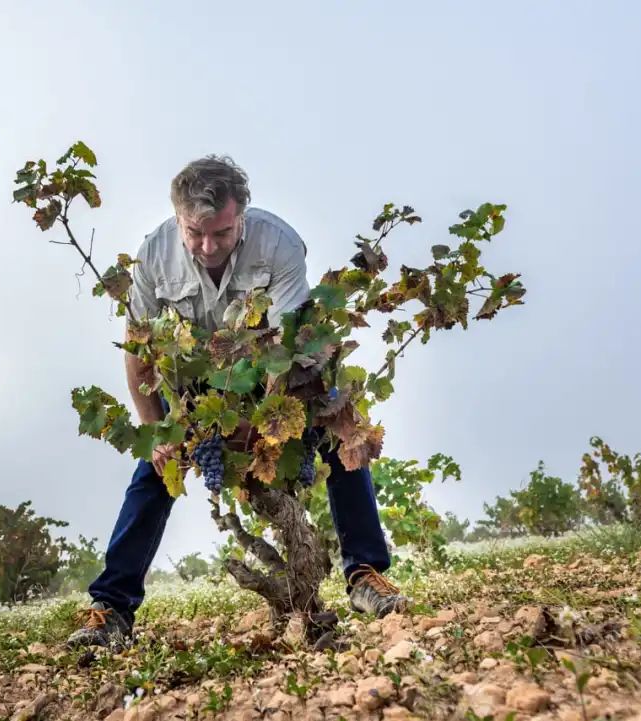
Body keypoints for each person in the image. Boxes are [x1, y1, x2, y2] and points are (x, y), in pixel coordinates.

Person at [66, 155, 408, 648]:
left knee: (342, 423)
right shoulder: (153, 256)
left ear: (240, 216)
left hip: (273, 371)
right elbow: (140, 353)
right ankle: (112, 610)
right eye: (194, 233)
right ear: (178, 218)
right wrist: (160, 432)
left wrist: (265, 427)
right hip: (195, 384)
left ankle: (365, 575)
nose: (208, 247)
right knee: (155, 471)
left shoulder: (280, 244)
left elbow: (286, 348)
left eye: (221, 234)